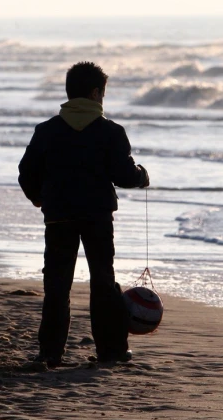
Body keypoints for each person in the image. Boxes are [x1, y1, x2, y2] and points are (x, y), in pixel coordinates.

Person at [18, 61, 149, 368]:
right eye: (102, 94)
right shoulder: (111, 132)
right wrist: (142, 175)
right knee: (103, 282)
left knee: (57, 284)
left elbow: (26, 172)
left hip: (59, 215)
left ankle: (50, 352)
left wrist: (39, 198)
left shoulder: (47, 130)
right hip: (97, 216)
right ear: (95, 94)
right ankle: (111, 351)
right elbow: (124, 175)